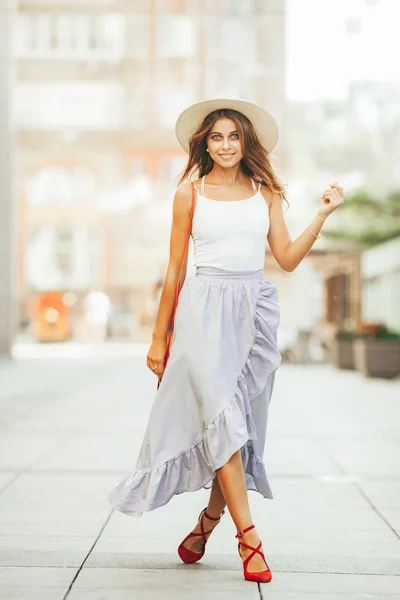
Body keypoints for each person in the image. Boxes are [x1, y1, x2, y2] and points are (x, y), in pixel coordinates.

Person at [108, 96, 344, 583]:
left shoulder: (267, 193)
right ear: (204, 144)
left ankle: (208, 522)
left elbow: (286, 257)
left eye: (234, 136)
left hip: (253, 312)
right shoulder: (189, 194)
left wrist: (321, 215)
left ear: (247, 141)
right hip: (202, 314)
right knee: (221, 417)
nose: (225, 145)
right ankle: (250, 541)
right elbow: (175, 269)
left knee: (239, 427)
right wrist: (158, 339)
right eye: (216, 137)